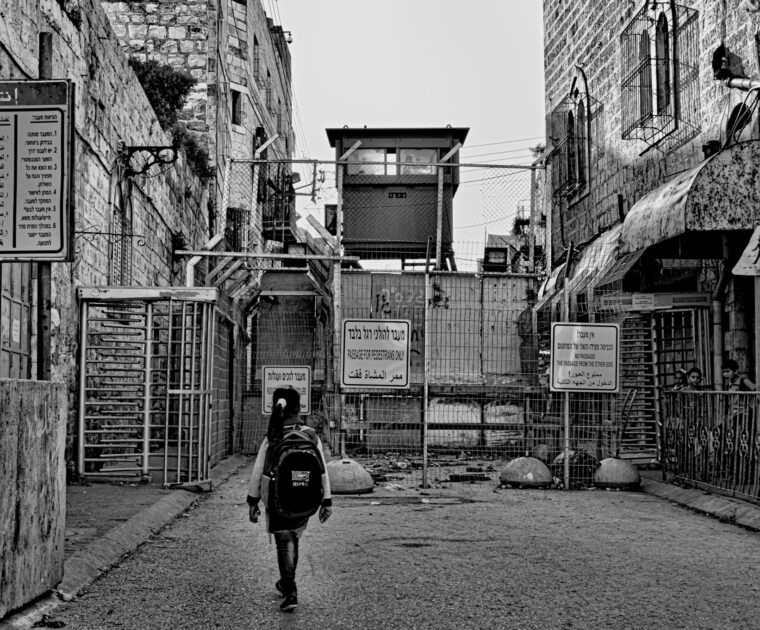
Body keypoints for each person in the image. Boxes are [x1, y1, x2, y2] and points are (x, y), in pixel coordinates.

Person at [247, 386, 332, 613]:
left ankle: (290, 588)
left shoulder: (273, 436)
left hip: (277, 498)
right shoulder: (311, 435)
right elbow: (322, 470)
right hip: (306, 498)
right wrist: (327, 501)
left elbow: (257, 472)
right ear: (299, 408)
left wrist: (252, 501)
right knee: (292, 538)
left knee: (284, 540)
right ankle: (286, 583)